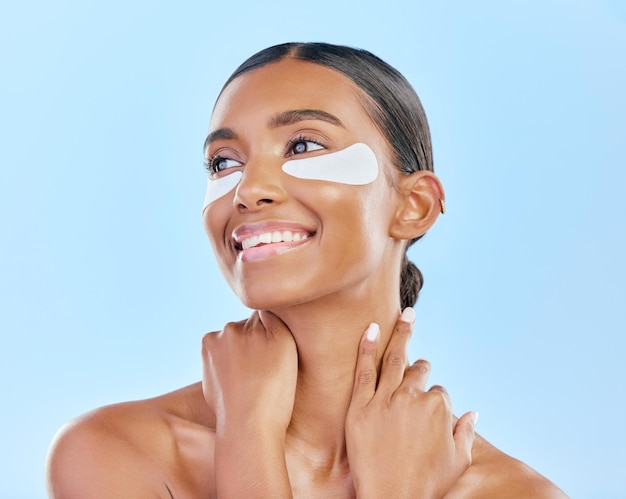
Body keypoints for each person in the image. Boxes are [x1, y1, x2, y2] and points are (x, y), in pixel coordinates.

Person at [46, 42, 566, 498]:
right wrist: (248, 433)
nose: (248, 189)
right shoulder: (113, 454)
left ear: (414, 206)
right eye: (224, 162)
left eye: (303, 146)